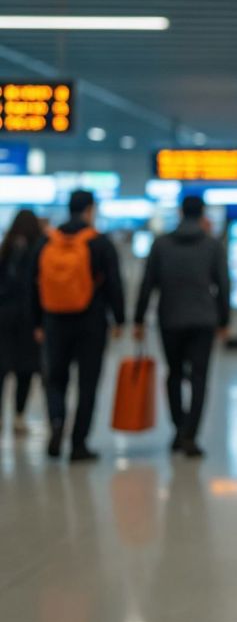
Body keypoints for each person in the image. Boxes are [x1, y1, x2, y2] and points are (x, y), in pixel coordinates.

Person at [30, 190, 126, 461]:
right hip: (91, 323)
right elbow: (114, 284)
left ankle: (58, 421)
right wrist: (119, 319)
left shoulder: (47, 242)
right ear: (90, 210)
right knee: (88, 383)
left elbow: (33, 283)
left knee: (55, 379)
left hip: (54, 321)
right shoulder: (99, 242)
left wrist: (37, 322)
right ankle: (79, 443)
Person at [133, 195, 231, 457]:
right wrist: (224, 320)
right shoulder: (211, 245)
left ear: (179, 212)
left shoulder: (161, 244)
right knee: (199, 377)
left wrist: (139, 319)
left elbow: (147, 283)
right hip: (203, 320)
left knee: (174, 373)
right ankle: (190, 434)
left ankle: (178, 428)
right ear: (202, 215)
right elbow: (222, 284)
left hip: (170, 318)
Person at [0, 209, 44, 435]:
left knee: (2, 370)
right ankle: (18, 416)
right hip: (28, 321)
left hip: (4, 319)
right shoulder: (39, 249)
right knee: (24, 372)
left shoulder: (5, 249)